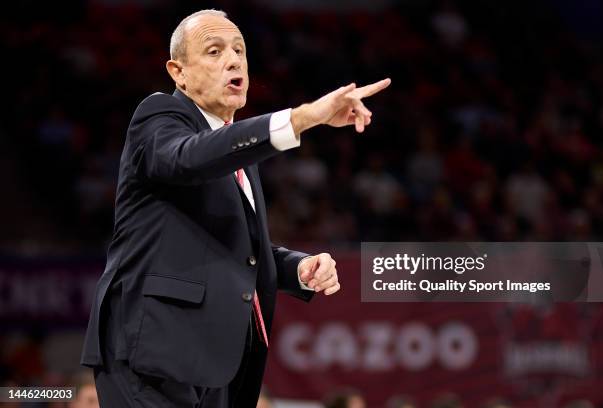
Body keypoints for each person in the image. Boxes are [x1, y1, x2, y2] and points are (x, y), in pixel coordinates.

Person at [80, 8, 390, 408]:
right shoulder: (159, 115)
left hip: (214, 363)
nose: (233, 59)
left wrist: (297, 267)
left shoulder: (237, 154)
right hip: (152, 353)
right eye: (213, 50)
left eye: (240, 50)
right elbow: (186, 158)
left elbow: (244, 252)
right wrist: (303, 118)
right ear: (179, 72)